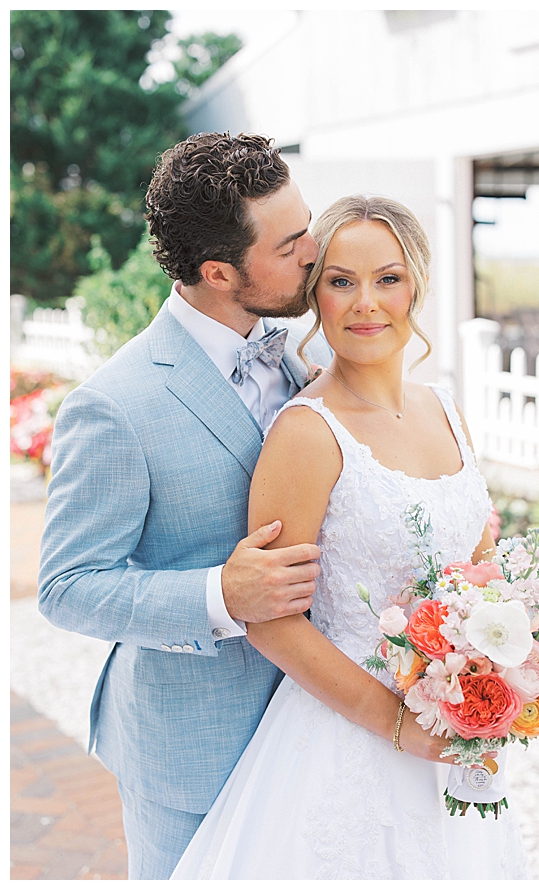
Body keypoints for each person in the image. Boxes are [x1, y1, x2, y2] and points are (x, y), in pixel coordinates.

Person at [170, 195, 530, 880]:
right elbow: (273, 622)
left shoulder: (447, 410)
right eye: (341, 281)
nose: (366, 302)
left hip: (454, 731)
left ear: (416, 285)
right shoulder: (306, 432)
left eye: (387, 278)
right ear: (316, 296)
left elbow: (482, 577)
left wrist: (505, 667)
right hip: (347, 745)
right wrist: (399, 726)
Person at [38, 132, 333, 880]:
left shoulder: (303, 357)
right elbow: (67, 587)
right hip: (194, 753)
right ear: (219, 272)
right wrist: (219, 595)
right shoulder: (113, 405)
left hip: (321, 732)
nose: (314, 251)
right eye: (292, 242)